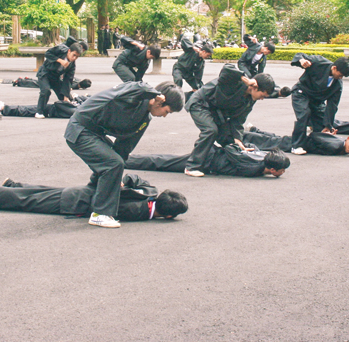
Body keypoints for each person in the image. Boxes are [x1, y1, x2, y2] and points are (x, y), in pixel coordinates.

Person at [64, 81, 184, 228]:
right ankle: (100, 214)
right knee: (113, 163)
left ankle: (95, 189)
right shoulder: (134, 98)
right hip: (80, 129)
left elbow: (124, 148)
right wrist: (153, 93)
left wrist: (115, 179)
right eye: (167, 112)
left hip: (94, 134)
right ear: (160, 102)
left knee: (116, 160)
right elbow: (134, 85)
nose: (165, 116)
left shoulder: (144, 119)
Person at [0, 174, 187, 222]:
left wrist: (124, 181)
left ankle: (12, 186)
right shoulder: (139, 212)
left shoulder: (150, 192)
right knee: (28, 202)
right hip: (76, 203)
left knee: (37, 193)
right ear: (167, 215)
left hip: (81, 194)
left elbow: (136, 179)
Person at [184, 63, 275, 177]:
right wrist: (244, 78)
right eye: (263, 95)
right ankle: (192, 166)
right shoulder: (236, 81)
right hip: (200, 104)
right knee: (211, 130)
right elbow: (227, 68)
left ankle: (219, 162)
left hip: (216, 111)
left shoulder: (251, 99)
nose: (262, 99)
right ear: (255, 87)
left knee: (230, 140)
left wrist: (237, 138)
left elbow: (238, 120)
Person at [288, 53, 349, 155]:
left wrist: (328, 125)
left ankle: (311, 144)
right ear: (334, 68)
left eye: (342, 77)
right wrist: (301, 61)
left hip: (316, 101)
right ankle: (296, 145)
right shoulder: (319, 62)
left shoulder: (338, 85)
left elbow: (332, 105)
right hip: (301, 93)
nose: (340, 78)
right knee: (304, 114)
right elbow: (299, 55)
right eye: (340, 75)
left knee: (321, 127)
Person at [126, 145, 291, 178]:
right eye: (281, 169)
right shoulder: (253, 167)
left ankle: (127, 159)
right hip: (207, 160)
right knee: (162, 162)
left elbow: (252, 148)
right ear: (271, 168)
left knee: (164, 161)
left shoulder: (260, 160)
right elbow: (230, 150)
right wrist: (241, 148)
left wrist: (243, 148)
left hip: (210, 157)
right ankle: (126, 160)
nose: (282, 172)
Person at [241, 125, 349, 156]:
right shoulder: (336, 146)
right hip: (301, 142)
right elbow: (315, 137)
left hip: (300, 140)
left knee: (274, 139)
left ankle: (253, 130)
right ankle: (243, 136)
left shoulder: (339, 141)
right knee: (269, 142)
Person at [34, 41, 83, 119]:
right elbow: (47, 53)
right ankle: (39, 112)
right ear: (69, 51)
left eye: (77, 57)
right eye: (73, 55)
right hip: (45, 73)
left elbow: (68, 79)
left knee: (65, 98)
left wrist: (66, 95)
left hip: (55, 77)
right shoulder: (61, 49)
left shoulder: (72, 65)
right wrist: (60, 60)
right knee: (46, 91)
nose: (74, 58)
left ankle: (60, 111)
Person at [0, 96, 84, 119]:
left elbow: (58, 104)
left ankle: (3, 108)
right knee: (26, 109)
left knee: (26, 110)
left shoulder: (76, 111)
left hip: (49, 110)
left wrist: (67, 102)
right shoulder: (79, 110)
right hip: (49, 110)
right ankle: (4, 107)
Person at [11, 76, 92, 91]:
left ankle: (25, 80)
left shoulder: (77, 79)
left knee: (37, 82)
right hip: (54, 83)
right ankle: (20, 81)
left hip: (56, 78)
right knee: (36, 84)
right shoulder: (75, 85)